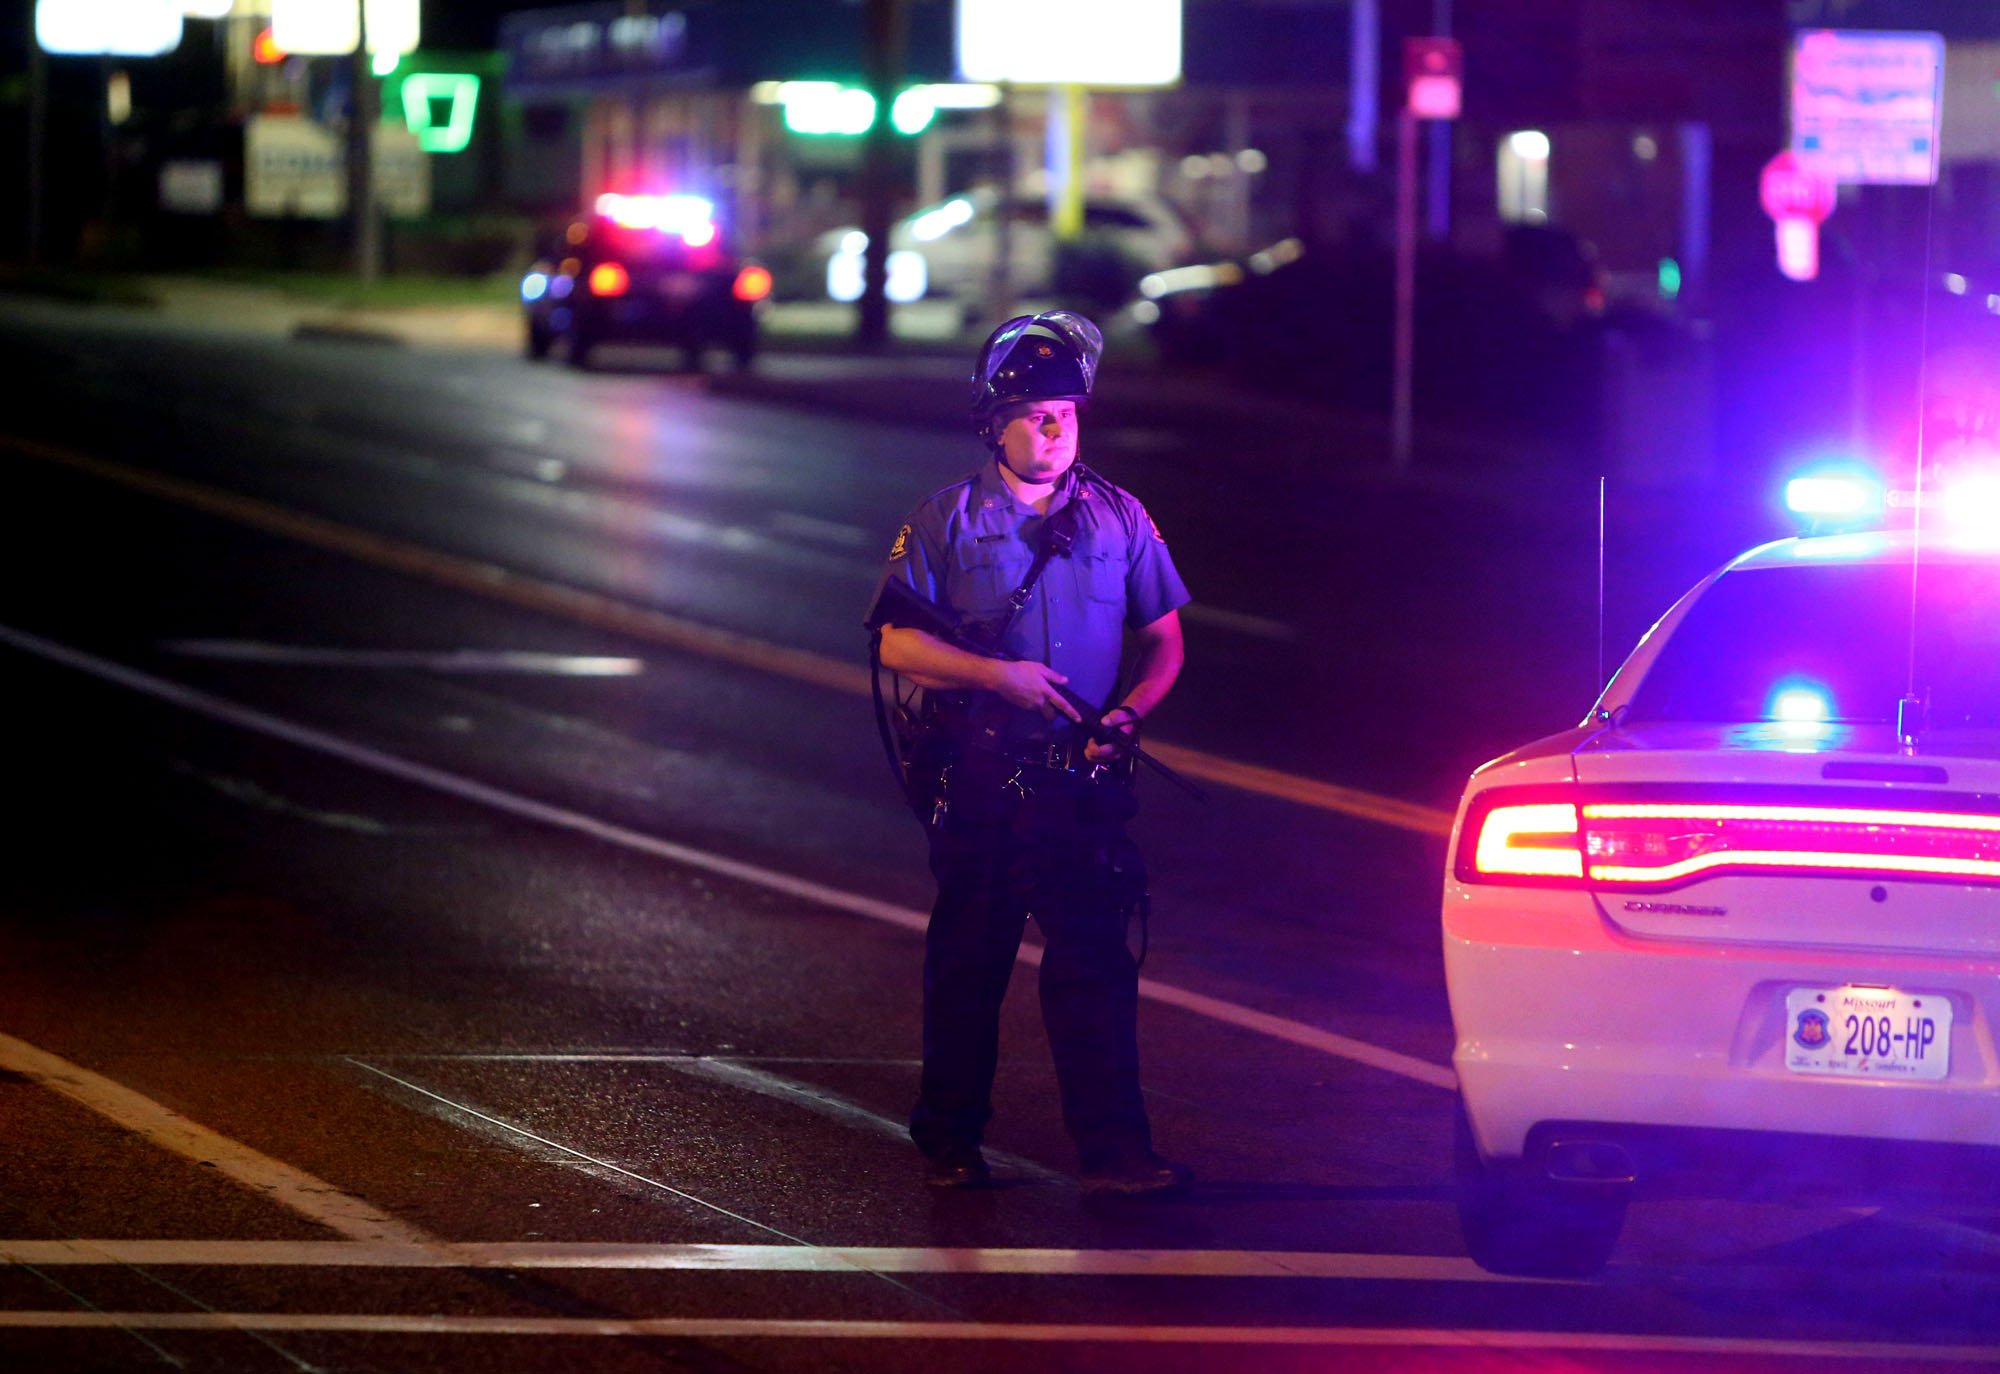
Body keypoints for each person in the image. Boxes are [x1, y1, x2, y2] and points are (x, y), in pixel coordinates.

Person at [870, 311, 1192, 1195]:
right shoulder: (944, 519)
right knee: (969, 969)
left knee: (1095, 970)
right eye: (1037, 413)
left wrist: (1126, 715)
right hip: (980, 783)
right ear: (995, 423)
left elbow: (1164, 641)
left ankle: (1116, 1154)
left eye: (1068, 413)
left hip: (1081, 786)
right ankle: (948, 1143)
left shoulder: (1121, 517)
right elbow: (895, 643)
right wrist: (995, 676)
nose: (1056, 428)